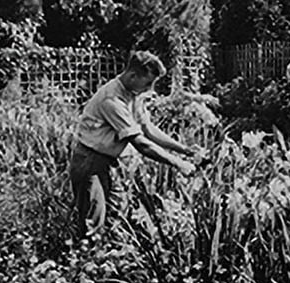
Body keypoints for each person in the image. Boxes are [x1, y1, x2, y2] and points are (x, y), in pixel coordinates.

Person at [69, 50, 199, 240]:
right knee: (92, 225)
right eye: (148, 83)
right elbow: (140, 143)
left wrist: (184, 150)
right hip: (90, 163)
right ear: (132, 75)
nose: (150, 89)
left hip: (109, 162)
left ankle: (107, 263)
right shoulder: (111, 99)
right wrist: (178, 164)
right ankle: (83, 263)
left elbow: (148, 129)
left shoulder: (132, 94)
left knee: (117, 218)